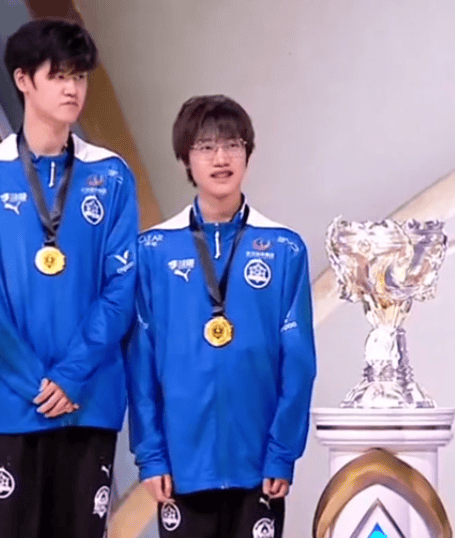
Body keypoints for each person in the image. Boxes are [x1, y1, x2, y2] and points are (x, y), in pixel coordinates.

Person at [127, 95, 317, 538]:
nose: (220, 158)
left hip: (259, 468)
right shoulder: (154, 249)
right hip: (182, 466)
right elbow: (141, 360)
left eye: (232, 145)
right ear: (185, 158)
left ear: (248, 153)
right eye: (206, 146)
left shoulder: (285, 248)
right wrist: (151, 455)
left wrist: (281, 453)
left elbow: (299, 363)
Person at [0, 18, 138, 538]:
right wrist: (34, 382)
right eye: (57, 75)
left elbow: (122, 286)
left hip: (88, 400)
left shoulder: (112, 174)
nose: (72, 88)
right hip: (12, 405)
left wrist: (72, 375)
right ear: (22, 80)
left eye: (79, 76)